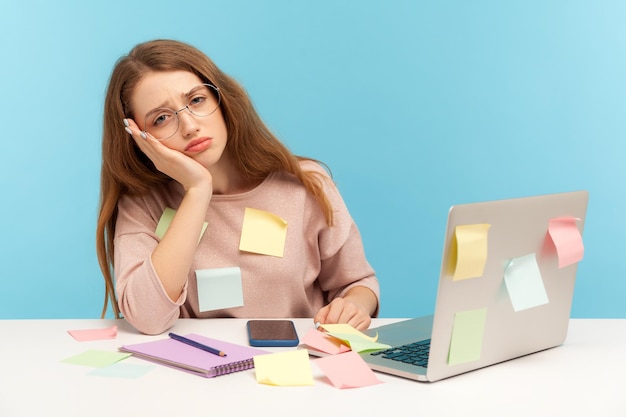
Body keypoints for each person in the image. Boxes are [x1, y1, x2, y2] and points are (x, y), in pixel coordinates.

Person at [96, 39, 379, 335]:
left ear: (222, 99)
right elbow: (147, 318)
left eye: (196, 100)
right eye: (162, 118)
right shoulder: (143, 204)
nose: (190, 126)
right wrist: (197, 191)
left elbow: (357, 283)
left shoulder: (304, 184)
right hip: (200, 373)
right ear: (140, 137)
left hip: (295, 365)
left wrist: (355, 306)